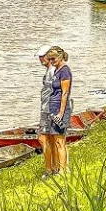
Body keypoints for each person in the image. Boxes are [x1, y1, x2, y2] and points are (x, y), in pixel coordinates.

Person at [44, 47, 72, 175]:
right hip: (53, 108)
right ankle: (58, 168)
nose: (51, 61)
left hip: (60, 109)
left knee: (60, 140)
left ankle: (63, 170)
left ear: (60, 57)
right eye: (49, 59)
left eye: (53, 59)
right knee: (55, 139)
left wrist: (61, 113)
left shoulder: (65, 71)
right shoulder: (56, 70)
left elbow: (65, 93)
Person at [36, 45, 56, 177]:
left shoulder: (52, 71)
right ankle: (54, 167)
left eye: (43, 56)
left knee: (43, 138)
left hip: (49, 109)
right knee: (50, 139)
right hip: (46, 108)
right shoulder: (50, 70)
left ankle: (49, 170)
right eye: (40, 56)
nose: (41, 59)